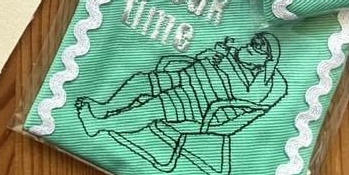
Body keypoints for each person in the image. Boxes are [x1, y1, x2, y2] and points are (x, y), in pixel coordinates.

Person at [75, 32, 286, 138]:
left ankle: (98, 125)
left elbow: (241, 100)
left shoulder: (264, 83)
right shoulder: (231, 54)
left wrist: (225, 64)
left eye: (258, 49)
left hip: (200, 103)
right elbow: (199, 60)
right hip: (186, 77)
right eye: (252, 43)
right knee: (140, 80)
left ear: (267, 60)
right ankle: (103, 109)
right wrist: (212, 54)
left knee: (153, 107)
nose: (249, 47)